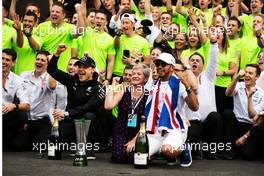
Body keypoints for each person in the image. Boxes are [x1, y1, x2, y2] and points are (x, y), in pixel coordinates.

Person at [47, 44, 105, 159]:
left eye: (85, 67)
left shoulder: (99, 87)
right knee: (55, 137)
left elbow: (88, 106)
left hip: (89, 122)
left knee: (89, 116)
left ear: (92, 70)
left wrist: (67, 113)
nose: (81, 70)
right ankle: (75, 145)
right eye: (79, 67)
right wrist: (57, 54)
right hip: (72, 119)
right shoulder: (71, 79)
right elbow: (51, 70)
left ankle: (88, 149)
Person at [144, 53, 199, 167]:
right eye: (157, 63)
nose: (159, 66)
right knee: (140, 155)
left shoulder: (180, 84)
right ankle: (162, 151)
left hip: (175, 129)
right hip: (157, 130)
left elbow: (195, 107)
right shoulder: (153, 85)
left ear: (172, 67)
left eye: (163, 64)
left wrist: (187, 85)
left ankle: (182, 148)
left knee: (168, 150)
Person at [187, 34, 224, 159]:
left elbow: (213, 60)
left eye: (198, 61)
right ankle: (195, 149)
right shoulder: (183, 79)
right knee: (189, 144)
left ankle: (212, 150)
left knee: (216, 117)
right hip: (192, 122)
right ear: (188, 64)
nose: (195, 62)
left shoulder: (208, 77)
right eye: (192, 60)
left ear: (203, 65)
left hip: (208, 121)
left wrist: (213, 44)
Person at [105, 63, 150, 163]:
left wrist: (135, 140)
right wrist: (112, 86)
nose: (134, 76)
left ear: (145, 79)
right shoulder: (123, 90)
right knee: (118, 157)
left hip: (139, 132)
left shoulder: (149, 95)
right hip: (122, 131)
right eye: (133, 73)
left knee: (136, 157)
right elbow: (108, 106)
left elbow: (149, 121)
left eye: (139, 74)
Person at [223, 64, 264, 160]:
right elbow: (227, 93)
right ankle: (230, 150)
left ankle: (241, 149)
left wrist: (250, 97)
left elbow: (253, 116)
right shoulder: (239, 85)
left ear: (257, 77)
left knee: (248, 155)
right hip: (236, 123)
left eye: (250, 73)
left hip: (250, 127)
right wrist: (237, 77)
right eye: (246, 72)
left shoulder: (261, 93)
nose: (247, 75)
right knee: (227, 113)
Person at [21, 50, 56, 150]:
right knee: (18, 146)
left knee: (40, 148)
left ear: (47, 64)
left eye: (43, 60)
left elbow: (53, 86)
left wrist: (52, 65)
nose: (39, 62)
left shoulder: (50, 77)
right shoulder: (24, 75)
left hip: (42, 121)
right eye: (37, 59)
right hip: (26, 120)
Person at [2, 49, 30, 150]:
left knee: (21, 115)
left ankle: (5, 139)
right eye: (2, 58)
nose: (3, 62)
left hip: (6, 117)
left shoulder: (18, 80)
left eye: (7, 60)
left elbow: (26, 105)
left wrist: (14, 105)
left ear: (13, 63)